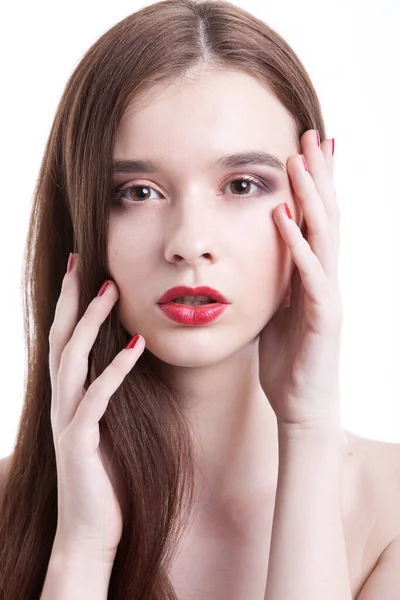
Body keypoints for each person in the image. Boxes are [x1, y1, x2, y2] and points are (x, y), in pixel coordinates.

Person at [0, 0, 399, 598]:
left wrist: (309, 431)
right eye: (138, 191)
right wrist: (80, 549)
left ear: (314, 201)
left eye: (241, 185)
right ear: (80, 214)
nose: (189, 244)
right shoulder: (9, 511)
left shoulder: (389, 514)